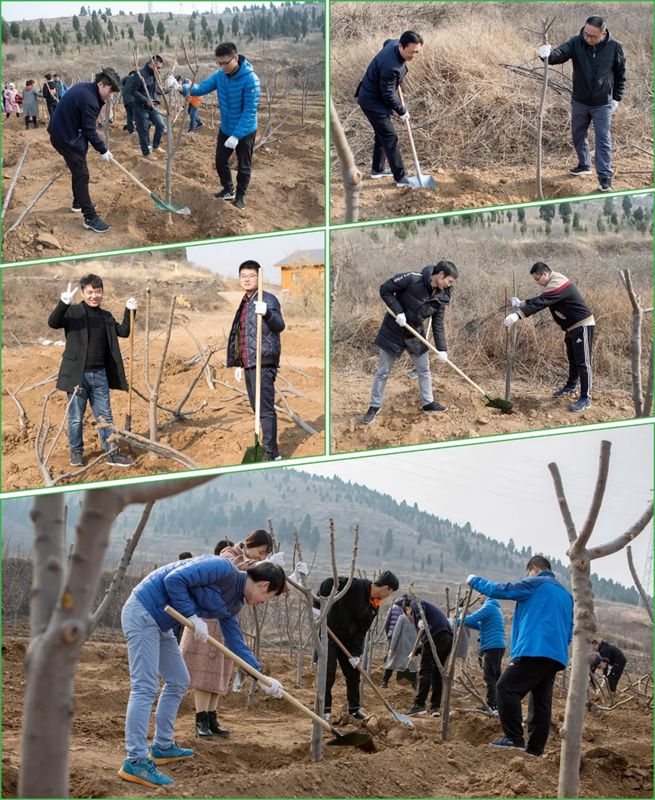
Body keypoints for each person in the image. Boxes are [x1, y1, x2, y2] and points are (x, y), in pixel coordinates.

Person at [119, 556, 286, 788]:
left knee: (178, 680)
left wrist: (260, 677)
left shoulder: (234, 604)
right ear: (264, 585)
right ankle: (135, 760)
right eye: (267, 598)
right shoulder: (223, 568)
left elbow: (236, 643)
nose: (263, 602)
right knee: (144, 687)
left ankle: (162, 746)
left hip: (162, 623)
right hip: (144, 611)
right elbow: (174, 579)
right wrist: (192, 616)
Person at [466, 555, 573, 756]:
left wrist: (474, 580)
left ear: (533, 569)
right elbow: (570, 629)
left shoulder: (537, 582)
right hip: (555, 654)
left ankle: (514, 738)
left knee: (505, 688)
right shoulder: (566, 595)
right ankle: (534, 750)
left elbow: (503, 590)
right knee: (541, 701)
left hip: (534, 649)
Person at [179, 530, 278, 738]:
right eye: (260, 552)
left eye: (265, 556)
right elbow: (237, 572)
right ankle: (201, 719)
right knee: (203, 672)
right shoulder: (228, 555)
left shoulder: (250, 570)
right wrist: (261, 568)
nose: (261, 558)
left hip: (225, 621)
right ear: (249, 544)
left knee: (220, 672)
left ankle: (212, 717)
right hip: (205, 622)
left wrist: (259, 675)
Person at [47, 273, 137, 469]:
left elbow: (123, 332)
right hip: (77, 377)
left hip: (100, 376)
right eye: (90, 292)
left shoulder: (106, 317)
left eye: (98, 292)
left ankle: (112, 454)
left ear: (102, 292)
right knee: (76, 418)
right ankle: (76, 453)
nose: (94, 296)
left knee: (105, 417)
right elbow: (53, 322)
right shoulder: (73, 313)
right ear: (83, 293)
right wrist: (63, 303)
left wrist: (129, 311)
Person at [363, 260, 458, 424]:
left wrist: (442, 349)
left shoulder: (442, 296)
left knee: (424, 369)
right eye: (449, 281)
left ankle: (428, 403)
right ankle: (374, 406)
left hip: (415, 334)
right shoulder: (413, 279)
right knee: (383, 372)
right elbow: (385, 289)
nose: (449, 285)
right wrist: (398, 311)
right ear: (441, 275)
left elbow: (437, 324)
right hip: (393, 330)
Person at [539, 15, 626, 192]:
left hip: (603, 103)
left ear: (603, 34)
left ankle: (604, 178)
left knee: (603, 139)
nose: (587, 38)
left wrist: (616, 98)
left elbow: (620, 74)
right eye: (586, 33)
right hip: (580, 100)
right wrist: (546, 54)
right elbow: (559, 55)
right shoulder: (576, 42)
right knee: (578, 134)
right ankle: (584, 165)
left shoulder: (614, 47)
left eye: (592, 36)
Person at [504, 261, 595, 412]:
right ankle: (571, 386)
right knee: (573, 359)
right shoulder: (552, 285)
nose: (537, 282)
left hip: (582, 324)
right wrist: (522, 303)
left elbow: (542, 301)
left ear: (545, 274)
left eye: (537, 278)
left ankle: (586, 398)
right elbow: (541, 298)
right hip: (572, 327)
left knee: (583, 362)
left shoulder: (558, 282)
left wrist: (518, 315)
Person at [317, 570, 399, 721]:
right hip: (329, 634)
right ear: (386, 588)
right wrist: (317, 607)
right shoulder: (356, 586)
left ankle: (354, 710)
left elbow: (362, 631)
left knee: (354, 673)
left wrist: (356, 654)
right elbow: (329, 582)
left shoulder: (374, 605)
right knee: (328, 673)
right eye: (391, 592)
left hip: (347, 641)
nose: (389, 596)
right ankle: (324, 710)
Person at [188, 42, 260, 209]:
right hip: (226, 127)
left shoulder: (251, 80)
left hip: (245, 130)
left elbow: (250, 112)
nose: (222, 66)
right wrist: (182, 87)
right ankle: (229, 189)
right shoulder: (220, 76)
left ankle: (241, 196)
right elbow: (202, 88)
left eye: (225, 63)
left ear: (235, 58)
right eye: (219, 63)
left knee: (243, 166)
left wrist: (236, 136)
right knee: (220, 161)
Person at [48, 67, 120, 233]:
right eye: (110, 90)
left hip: (65, 131)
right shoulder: (90, 100)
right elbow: (89, 130)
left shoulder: (87, 89)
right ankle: (90, 217)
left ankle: (78, 203)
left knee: (78, 169)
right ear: (101, 84)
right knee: (82, 174)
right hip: (65, 137)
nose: (111, 94)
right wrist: (103, 150)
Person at [226, 260, 285, 461]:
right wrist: (239, 363)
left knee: (265, 409)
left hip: (264, 363)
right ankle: (264, 446)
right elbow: (242, 336)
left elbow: (279, 325)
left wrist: (267, 312)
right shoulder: (244, 303)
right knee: (256, 408)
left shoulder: (268, 299)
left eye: (251, 275)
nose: (247, 279)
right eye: (243, 276)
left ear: (259, 277)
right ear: (239, 279)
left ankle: (272, 454)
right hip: (249, 363)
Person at [356, 30, 423, 187]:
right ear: (401, 46)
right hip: (372, 102)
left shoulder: (393, 44)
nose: (413, 56)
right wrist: (402, 111)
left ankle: (377, 170)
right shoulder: (391, 67)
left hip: (375, 97)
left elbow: (386, 41)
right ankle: (400, 178)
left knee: (382, 135)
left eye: (417, 52)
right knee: (390, 136)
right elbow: (387, 94)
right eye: (411, 52)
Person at [406, 599, 453, 717]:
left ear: (407, 609)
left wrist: (419, 618)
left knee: (425, 671)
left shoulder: (413, 604)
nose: (409, 619)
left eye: (407, 615)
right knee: (437, 673)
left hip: (437, 637)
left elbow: (417, 603)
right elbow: (431, 644)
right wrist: (416, 651)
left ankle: (419, 705)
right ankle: (435, 707)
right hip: (447, 639)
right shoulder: (431, 614)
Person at [462, 597, 506, 711]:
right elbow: (479, 625)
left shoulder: (488, 606)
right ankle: (498, 703)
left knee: (490, 676)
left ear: (486, 595)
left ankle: (491, 705)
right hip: (498, 646)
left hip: (492, 647)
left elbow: (471, 619)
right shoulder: (494, 607)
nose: (478, 597)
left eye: (481, 594)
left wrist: (456, 620)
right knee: (496, 676)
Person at [130, 55, 166, 158]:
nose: (159, 70)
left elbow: (154, 91)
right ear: (152, 63)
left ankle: (155, 146)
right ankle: (146, 153)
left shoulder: (154, 75)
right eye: (158, 67)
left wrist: (165, 90)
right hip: (141, 107)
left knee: (161, 125)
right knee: (144, 131)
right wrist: (146, 100)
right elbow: (133, 91)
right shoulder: (140, 74)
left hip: (153, 107)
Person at [382, 601, 418, 689]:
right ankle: (384, 682)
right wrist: (392, 647)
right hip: (402, 647)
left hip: (409, 647)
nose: (409, 611)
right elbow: (396, 633)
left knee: (410, 665)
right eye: (407, 608)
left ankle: (414, 684)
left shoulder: (416, 620)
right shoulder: (403, 618)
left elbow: (396, 634)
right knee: (393, 663)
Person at [381, 595, 410, 686]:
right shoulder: (407, 609)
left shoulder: (393, 607)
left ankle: (384, 682)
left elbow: (387, 622)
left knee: (391, 656)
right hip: (402, 636)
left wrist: (388, 634)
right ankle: (401, 680)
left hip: (392, 635)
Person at [121, 70, 137, 134]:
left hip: (126, 102)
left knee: (129, 116)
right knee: (135, 116)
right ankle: (135, 128)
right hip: (134, 100)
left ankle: (130, 130)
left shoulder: (125, 79)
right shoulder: (135, 79)